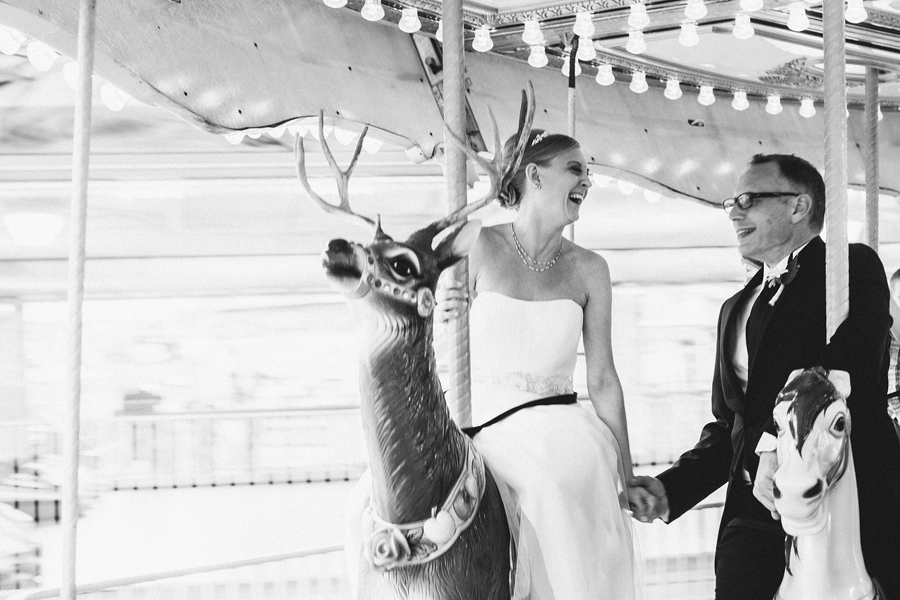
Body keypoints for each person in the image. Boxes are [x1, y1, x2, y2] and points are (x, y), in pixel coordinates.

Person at [631, 154, 900, 600]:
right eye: (731, 203)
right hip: (752, 510)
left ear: (798, 206)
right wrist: (671, 487)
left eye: (749, 199)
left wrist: (779, 446)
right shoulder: (734, 308)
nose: (734, 211)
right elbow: (731, 426)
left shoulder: (849, 268)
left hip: (843, 493)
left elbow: (851, 364)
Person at [437, 129, 644, 599]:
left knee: (555, 474)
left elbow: (604, 378)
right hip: (478, 412)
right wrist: (441, 311)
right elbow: (439, 342)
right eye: (575, 169)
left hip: (553, 415)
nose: (587, 182)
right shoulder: (477, 246)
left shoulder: (591, 269)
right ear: (534, 175)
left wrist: (627, 474)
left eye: (588, 175)